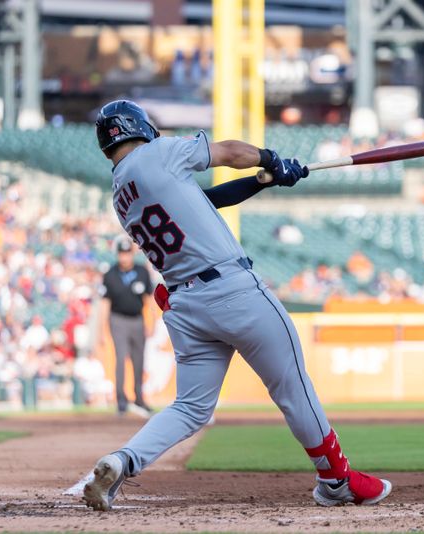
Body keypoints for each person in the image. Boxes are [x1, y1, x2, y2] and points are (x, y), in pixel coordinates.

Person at [83, 100, 391, 510]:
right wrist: (271, 159)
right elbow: (229, 152)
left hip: (186, 304)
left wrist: (264, 180)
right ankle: (337, 480)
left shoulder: (121, 192)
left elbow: (205, 201)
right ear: (139, 127)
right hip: (232, 289)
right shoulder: (157, 153)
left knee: (191, 407)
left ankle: (122, 460)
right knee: (292, 385)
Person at [100, 238, 153, 417]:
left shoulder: (141, 272)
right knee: (120, 360)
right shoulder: (111, 274)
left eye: (127, 253)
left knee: (139, 361)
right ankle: (121, 402)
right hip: (118, 320)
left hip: (137, 320)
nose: (124, 257)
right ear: (118, 254)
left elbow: (148, 299)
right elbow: (105, 302)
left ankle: (139, 398)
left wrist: (150, 322)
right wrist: (102, 329)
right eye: (121, 254)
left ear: (132, 253)